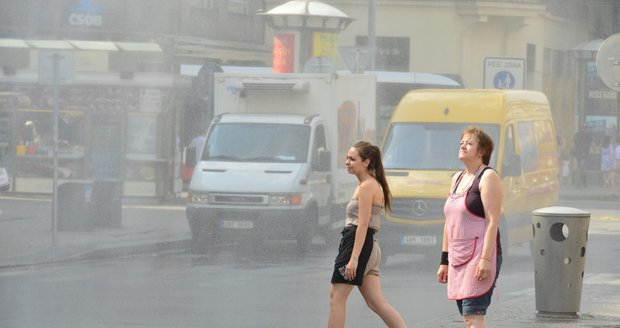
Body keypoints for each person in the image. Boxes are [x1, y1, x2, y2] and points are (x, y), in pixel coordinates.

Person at [328, 141, 406, 328]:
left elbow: (362, 224)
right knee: (376, 303)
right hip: (368, 246)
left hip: (358, 244)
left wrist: (353, 258)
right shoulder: (369, 184)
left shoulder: (366, 186)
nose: (347, 162)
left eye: (352, 159)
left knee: (336, 298)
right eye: (347, 158)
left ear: (366, 162)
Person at [437, 127, 503, 328]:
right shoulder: (456, 179)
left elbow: (493, 220)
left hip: (480, 255)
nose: (463, 146)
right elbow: (449, 222)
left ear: (481, 151)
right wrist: (444, 261)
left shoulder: (488, 177)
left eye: (469, 143)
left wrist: (485, 259)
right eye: (461, 143)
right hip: (458, 257)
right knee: (468, 318)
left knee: (473, 316)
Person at [572, 124, 593, 189]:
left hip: (578, 154)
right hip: (585, 154)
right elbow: (592, 143)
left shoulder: (576, 134)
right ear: (586, 128)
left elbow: (573, 144)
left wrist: (572, 150)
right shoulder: (588, 135)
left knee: (579, 167)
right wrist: (595, 151)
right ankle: (583, 183)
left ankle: (579, 183)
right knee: (583, 168)